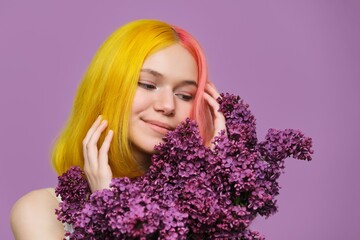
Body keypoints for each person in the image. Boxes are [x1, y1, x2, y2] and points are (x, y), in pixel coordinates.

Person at [10, 19, 226, 239]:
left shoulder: (208, 212)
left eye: (185, 95)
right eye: (148, 84)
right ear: (107, 90)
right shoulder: (41, 212)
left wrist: (214, 178)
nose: (168, 105)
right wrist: (107, 203)